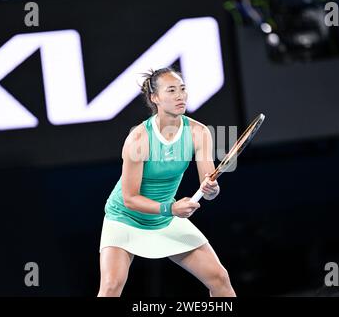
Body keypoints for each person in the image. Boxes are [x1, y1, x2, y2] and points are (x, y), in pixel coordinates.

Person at [97, 67, 236, 297]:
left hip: (166, 219)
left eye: (182, 89)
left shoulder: (199, 132)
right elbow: (130, 199)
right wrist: (171, 208)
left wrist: (211, 190)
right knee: (111, 287)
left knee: (219, 279)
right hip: (125, 218)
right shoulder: (139, 138)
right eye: (171, 90)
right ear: (155, 98)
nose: (180, 95)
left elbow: (208, 183)